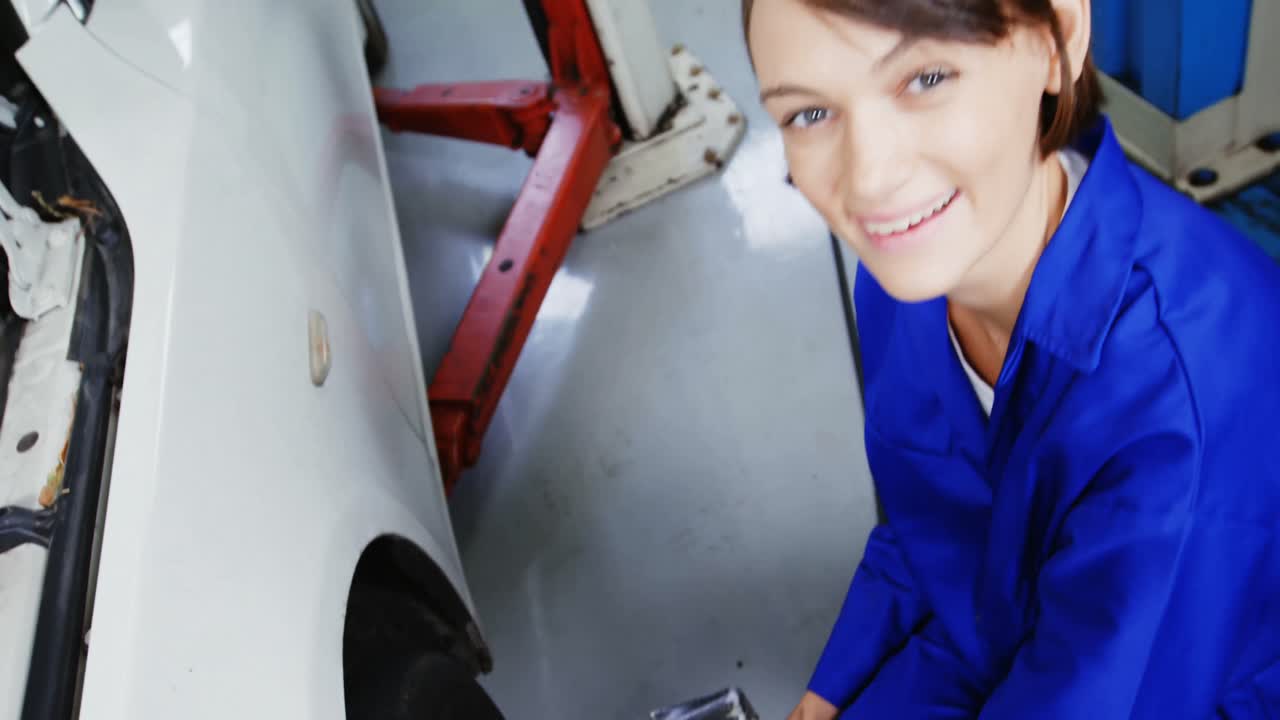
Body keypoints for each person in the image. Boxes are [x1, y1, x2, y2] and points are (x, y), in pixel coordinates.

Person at [743, 0, 1280, 717]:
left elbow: (1112, 686)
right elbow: (932, 523)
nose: (867, 181)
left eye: (927, 78)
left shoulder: (1182, 412)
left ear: (1059, 37)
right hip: (992, 626)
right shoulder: (905, 281)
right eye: (809, 114)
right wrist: (832, 686)